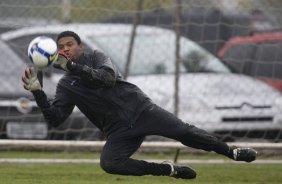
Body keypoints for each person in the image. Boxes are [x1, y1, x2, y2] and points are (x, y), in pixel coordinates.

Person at [22, 31, 257, 179]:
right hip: (118, 129)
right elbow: (55, 118)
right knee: (109, 164)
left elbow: (107, 78)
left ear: (79, 47)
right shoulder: (65, 85)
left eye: (69, 44)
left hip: (142, 110)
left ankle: (232, 152)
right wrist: (38, 92)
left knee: (184, 132)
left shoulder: (95, 56)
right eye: (60, 47)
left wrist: (73, 67)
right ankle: (166, 169)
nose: (64, 49)